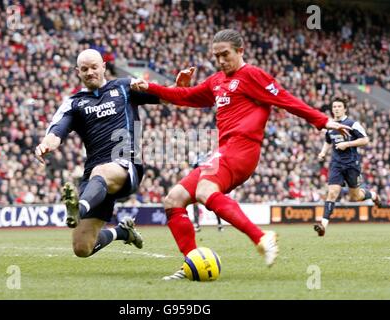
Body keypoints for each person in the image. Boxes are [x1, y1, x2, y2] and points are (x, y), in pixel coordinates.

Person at [131, 29, 352, 280]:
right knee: (174, 199)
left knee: (204, 190)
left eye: (225, 54)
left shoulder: (252, 75)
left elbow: (285, 100)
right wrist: (150, 87)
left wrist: (323, 121)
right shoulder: (216, 81)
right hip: (225, 150)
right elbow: (186, 96)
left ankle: (261, 237)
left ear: (240, 51)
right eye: (216, 56)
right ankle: (193, 263)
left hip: (243, 148)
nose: (221, 60)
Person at [34, 49, 161, 258]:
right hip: (95, 175)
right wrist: (45, 145)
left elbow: (165, 97)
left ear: (103, 66)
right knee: (83, 248)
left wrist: (179, 86)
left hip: (126, 164)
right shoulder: (74, 103)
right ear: (78, 72)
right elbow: (56, 131)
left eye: (94, 67)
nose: (90, 72)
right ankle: (121, 232)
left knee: (101, 171)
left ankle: (79, 208)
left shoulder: (124, 87)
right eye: (84, 69)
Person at [314, 98, 381, 236]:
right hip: (336, 164)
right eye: (334, 106)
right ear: (332, 109)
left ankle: (373, 195)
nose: (336, 109)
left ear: (345, 109)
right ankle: (323, 225)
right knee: (332, 193)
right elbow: (328, 141)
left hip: (352, 164)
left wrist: (347, 144)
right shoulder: (330, 126)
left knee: (355, 197)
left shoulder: (353, 124)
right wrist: (322, 152)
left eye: (339, 106)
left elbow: (365, 139)